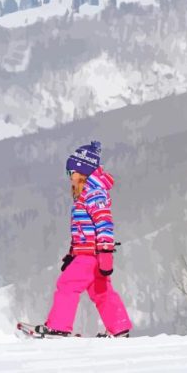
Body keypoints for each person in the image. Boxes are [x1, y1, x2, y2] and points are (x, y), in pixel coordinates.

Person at [35, 141, 132, 337]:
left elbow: (104, 224)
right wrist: (72, 255)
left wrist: (105, 253)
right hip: (87, 254)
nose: (69, 178)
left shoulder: (94, 194)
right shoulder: (88, 194)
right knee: (101, 291)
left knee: (67, 285)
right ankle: (119, 328)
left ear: (81, 173)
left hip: (90, 255)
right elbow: (83, 230)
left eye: (71, 173)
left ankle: (59, 327)